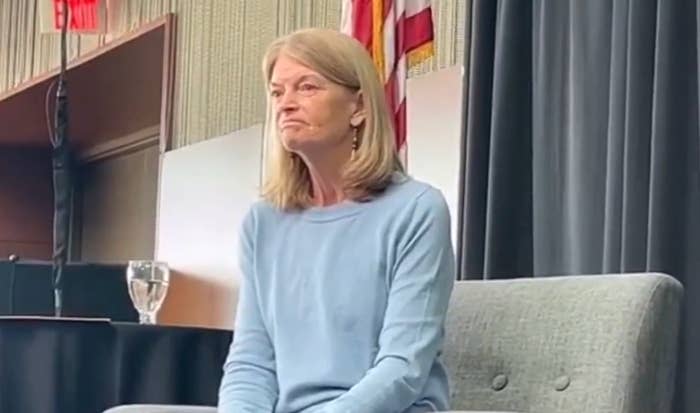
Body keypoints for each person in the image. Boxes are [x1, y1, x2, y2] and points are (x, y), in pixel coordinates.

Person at [218, 28, 456, 413]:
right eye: (277, 92)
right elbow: (251, 363)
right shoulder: (262, 222)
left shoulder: (417, 210)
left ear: (358, 107)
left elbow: (403, 368)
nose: (286, 104)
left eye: (307, 87)